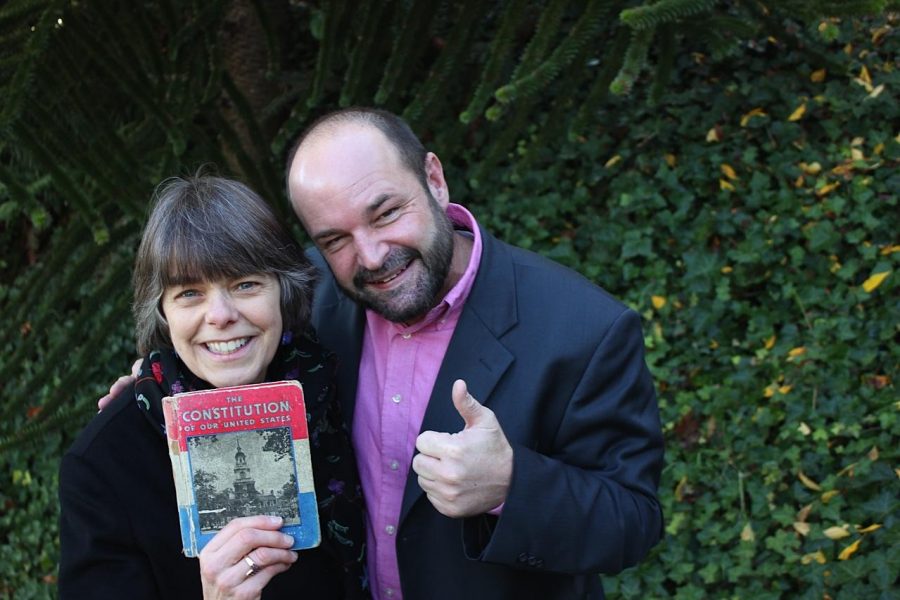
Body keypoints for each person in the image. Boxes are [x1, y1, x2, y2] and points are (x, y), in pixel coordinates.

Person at [103, 108, 665, 599]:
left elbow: (633, 520)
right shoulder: (314, 293)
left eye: (386, 213)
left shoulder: (586, 329)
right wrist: (159, 386)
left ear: (434, 180)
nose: (370, 256)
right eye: (335, 239)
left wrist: (513, 486)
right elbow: (234, 346)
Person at [62, 175, 368, 599]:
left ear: (283, 289)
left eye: (245, 284)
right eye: (189, 293)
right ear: (163, 314)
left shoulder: (346, 389)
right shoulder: (104, 462)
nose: (220, 315)